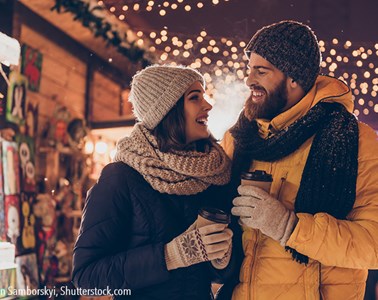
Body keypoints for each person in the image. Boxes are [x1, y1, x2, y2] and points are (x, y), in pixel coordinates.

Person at [220, 20, 378, 299]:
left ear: (294, 79)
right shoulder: (240, 138)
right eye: (249, 69)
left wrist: (290, 227)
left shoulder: (355, 140)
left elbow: (373, 244)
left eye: (261, 70)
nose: (249, 79)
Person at [72, 64, 235, 299]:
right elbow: (87, 278)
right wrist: (170, 256)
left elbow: (218, 276)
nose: (208, 105)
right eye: (194, 97)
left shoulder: (212, 174)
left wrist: (222, 258)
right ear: (168, 110)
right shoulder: (121, 177)